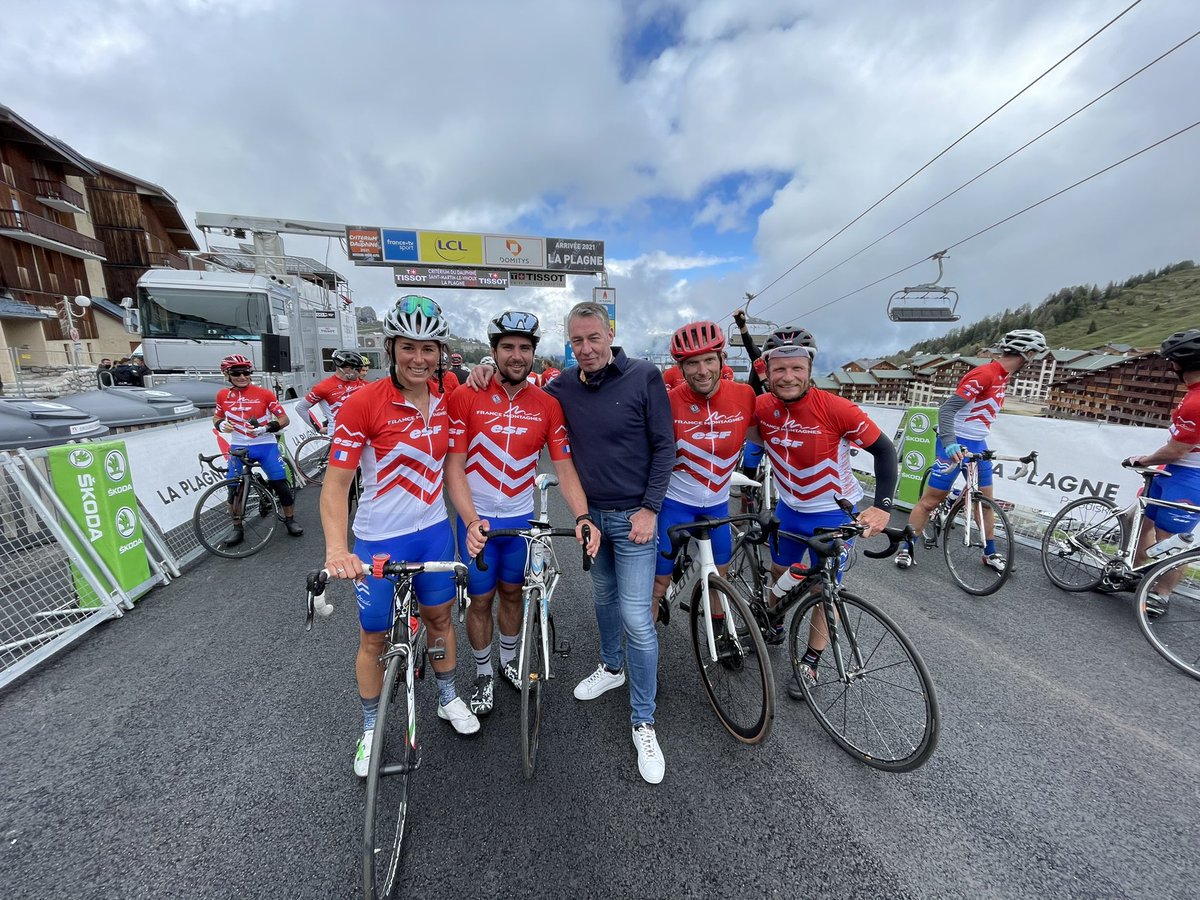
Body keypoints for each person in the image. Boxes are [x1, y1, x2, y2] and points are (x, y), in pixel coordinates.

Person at [321, 295, 479, 780]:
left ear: (440, 353)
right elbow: (335, 485)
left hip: (433, 532)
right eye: (408, 347)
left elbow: (455, 468)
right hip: (378, 540)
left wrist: (470, 521)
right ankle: (371, 728)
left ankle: (448, 697)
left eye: (428, 349)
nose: (418, 358)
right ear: (391, 348)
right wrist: (336, 550)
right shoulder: (362, 404)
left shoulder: (448, 404)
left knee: (440, 620)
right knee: (372, 637)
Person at [543, 301, 674, 784]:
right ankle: (611, 666)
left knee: (638, 618)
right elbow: (516, 393)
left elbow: (666, 445)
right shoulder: (560, 387)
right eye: (576, 341)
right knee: (602, 596)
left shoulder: (643, 376)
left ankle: (644, 719)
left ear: (610, 333)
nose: (586, 349)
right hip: (592, 519)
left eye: (593, 338)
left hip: (636, 518)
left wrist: (651, 508)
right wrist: (482, 375)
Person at [446, 309, 599, 719]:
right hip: (476, 519)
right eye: (508, 347)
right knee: (481, 599)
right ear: (493, 352)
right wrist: (470, 518)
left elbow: (564, 467)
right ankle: (481, 674)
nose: (517, 355)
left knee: (513, 594)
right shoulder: (466, 396)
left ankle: (509, 662)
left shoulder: (547, 405)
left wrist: (582, 516)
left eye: (525, 348)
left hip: (518, 520)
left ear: (534, 353)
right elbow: (454, 466)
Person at [746, 342, 898, 700]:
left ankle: (810, 662)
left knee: (822, 590)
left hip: (831, 513)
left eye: (797, 368)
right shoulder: (761, 407)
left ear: (810, 369)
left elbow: (885, 450)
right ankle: (775, 623)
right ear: (767, 371)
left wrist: (882, 506)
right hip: (788, 509)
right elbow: (742, 433)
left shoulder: (836, 408)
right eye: (780, 369)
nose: (788, 376)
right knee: (778, 574)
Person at [894, 328, 1047, 570]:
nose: (1034, 360)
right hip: (954, 443)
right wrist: (949, 442)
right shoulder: (985, 374)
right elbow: (946, 410)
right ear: (1027, 353)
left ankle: (990, 553)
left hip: (978, 445)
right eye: (1035, 355)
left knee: (986, 502)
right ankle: (906, 547)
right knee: (930, 502)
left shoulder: (1003, 376)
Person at [650, 322, 756, 626]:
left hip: (718, 507)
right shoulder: (666, 403)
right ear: (680, 368)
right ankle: (645, 651)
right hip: (674, 508)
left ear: (721, 360)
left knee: (717, 581)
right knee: (658, 586)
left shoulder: (744, 396)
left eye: (709, 359)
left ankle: (721, 633)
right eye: (692, 363)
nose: (702, 370)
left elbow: (775, 432)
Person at [1124, 329, 1200, 617]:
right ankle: (1137, 575)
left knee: (1171, 541)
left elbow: (1176, 449)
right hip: (1173, 471)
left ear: (1177, 364)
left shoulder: (1196, 401)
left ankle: (1162, 594)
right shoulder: (1192, 394)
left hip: (1189, 477)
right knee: (1137, 520)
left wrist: (1143, 459)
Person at [212, 354, 304, 544]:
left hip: (265, 444)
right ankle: (237, 528)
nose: (242, 376)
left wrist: (267, 427)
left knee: (280, 485)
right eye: (237, 373)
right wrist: (220, 425)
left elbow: (284, 419)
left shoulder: (264, 394)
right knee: (233, 489)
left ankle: (289, 520)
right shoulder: (222, 395)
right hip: (238, 445)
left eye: (246, 372)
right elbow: (217, 417)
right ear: (226, 374)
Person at [294, 349, 365, 433]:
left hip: (361, 431)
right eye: (359, 370)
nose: (361, 373)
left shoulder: (360, 383)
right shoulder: (323, 387)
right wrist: (318, 428)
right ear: (348, 370)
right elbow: (301, 407)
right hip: (339, 433)